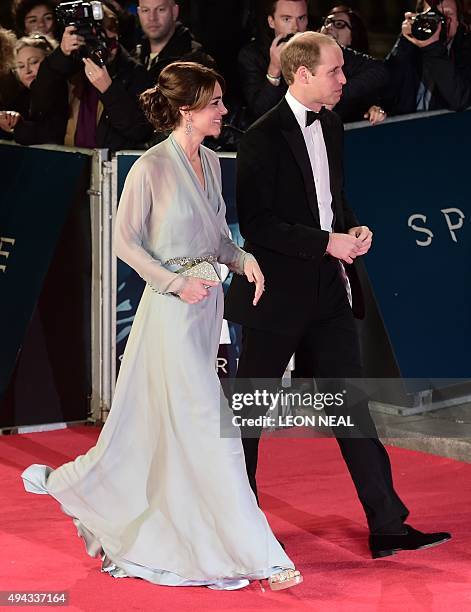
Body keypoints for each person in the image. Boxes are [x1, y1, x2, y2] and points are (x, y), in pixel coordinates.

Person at [21, 60, 303, 592]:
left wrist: (245, 262)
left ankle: (159, 520)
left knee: (173, 433)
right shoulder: (149, 167)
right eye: (215, 102)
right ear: (186, 109)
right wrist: (176, 285)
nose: (224, 110)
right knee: (212, 431)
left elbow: (217, 239)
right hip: (170, 315)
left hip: (205, 313)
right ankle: (263, 557)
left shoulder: (214, 163)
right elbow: (125, 243)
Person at [224, 31, 451, 559]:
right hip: (274, 296)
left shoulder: (330, 123)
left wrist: (354, 229)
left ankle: (388, 526)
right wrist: (329, 241)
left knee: (352, 408)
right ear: (302, 74)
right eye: (334, 72)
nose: (345, 80)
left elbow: (333, 198)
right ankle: (239, 529)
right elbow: (258, 227)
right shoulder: (259, 137)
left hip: (328, 292)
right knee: (249, 419)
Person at [238, 0, 389, 125]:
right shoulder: (252, 55)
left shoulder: (321, 45)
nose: (295, 27)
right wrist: (274, 69)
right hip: (278, 144)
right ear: (272, 21)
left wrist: (334, 93)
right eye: (286, 19)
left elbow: (378, 71)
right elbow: (260, 113)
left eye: (301, 18)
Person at [32, 4, 153, 150]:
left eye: (110, 33)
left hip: (108, 167)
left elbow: (141, 131)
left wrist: (109, 90)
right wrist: (61, 54)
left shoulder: (134, 73)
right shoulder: (72, 66)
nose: (105, 43)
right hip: (69, 162)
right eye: (95, 35)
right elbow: (39, 105)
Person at [385, 0, 471, 114]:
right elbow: (385, 91)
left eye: (447, 15)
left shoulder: (466, 52)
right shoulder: (410, 47)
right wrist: (405, 40)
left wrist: (432, 48)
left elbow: (461, 99)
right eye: (434, 16)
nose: (441, 22)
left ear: (458, 21)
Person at [320, 4, 387, 124]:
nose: (329, 27)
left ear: (353, 37)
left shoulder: (361, 73)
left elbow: (380, 71)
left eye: (339, 24)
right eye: (327, 22)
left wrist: (372, 110)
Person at [0, 34, 68, 144]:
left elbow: (52, 135)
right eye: (21, 66)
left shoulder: (62, 93)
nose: (27, 70)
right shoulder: (18, 99)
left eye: (33, 62)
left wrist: (17, 127)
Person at [134, 0, 214, 85]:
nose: (152, 18)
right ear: (139, 12)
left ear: (174, 12)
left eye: (161, 9)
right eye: (145, 10)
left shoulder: (194, 61)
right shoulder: (135, 57)